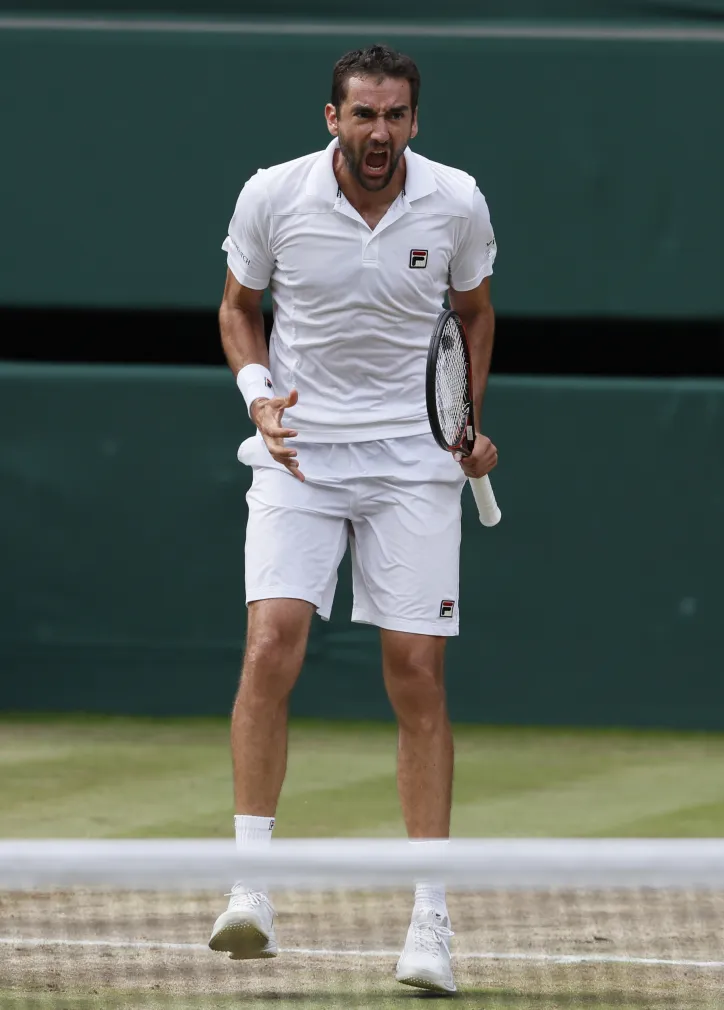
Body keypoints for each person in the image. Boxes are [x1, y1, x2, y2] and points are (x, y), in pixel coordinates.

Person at [208, 43, 498, 994]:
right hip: (300, 451)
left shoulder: (455, 201)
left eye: (396, 117)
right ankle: (251, 887)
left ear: (415, 122)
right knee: (271, 644)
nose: (380, 132)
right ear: (331, 118)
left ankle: (431, 920)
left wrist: (466, 425)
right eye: (363, 115)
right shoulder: (273, 196)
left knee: (417, 671)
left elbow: (474, 312)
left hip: (413, 461)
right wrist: (259, 396)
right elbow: (239, 308)